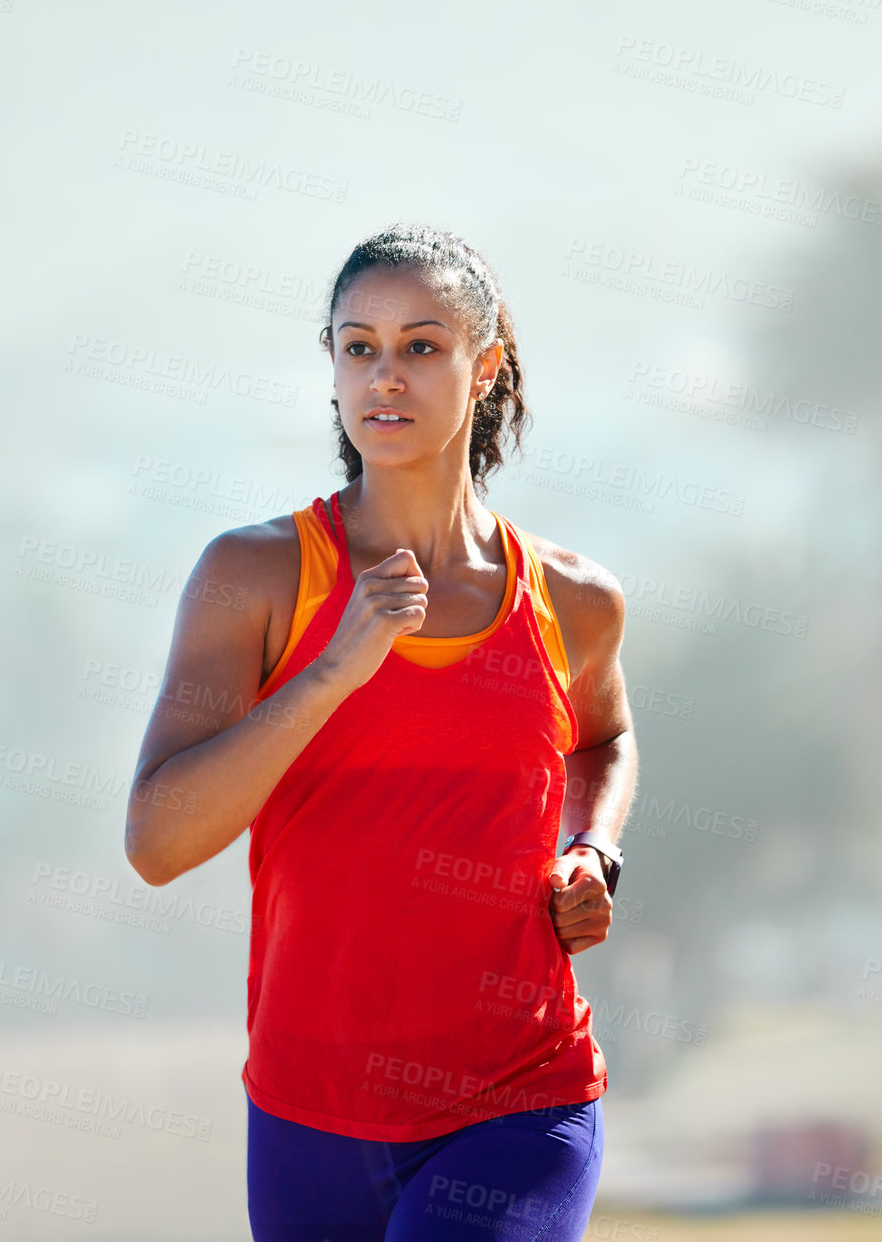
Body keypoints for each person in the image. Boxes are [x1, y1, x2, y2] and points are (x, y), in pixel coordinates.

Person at [126, 224, 638, 1240]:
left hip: (517, 1095)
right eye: (357, 346)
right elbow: (158, 841)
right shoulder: (257, 575)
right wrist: (331, 670)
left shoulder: (572, 598)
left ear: (483, 366)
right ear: (330, 365)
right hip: (305, 1108)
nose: (383, 376)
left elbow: (602, 738)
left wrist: (591, 847)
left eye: (420, 345)